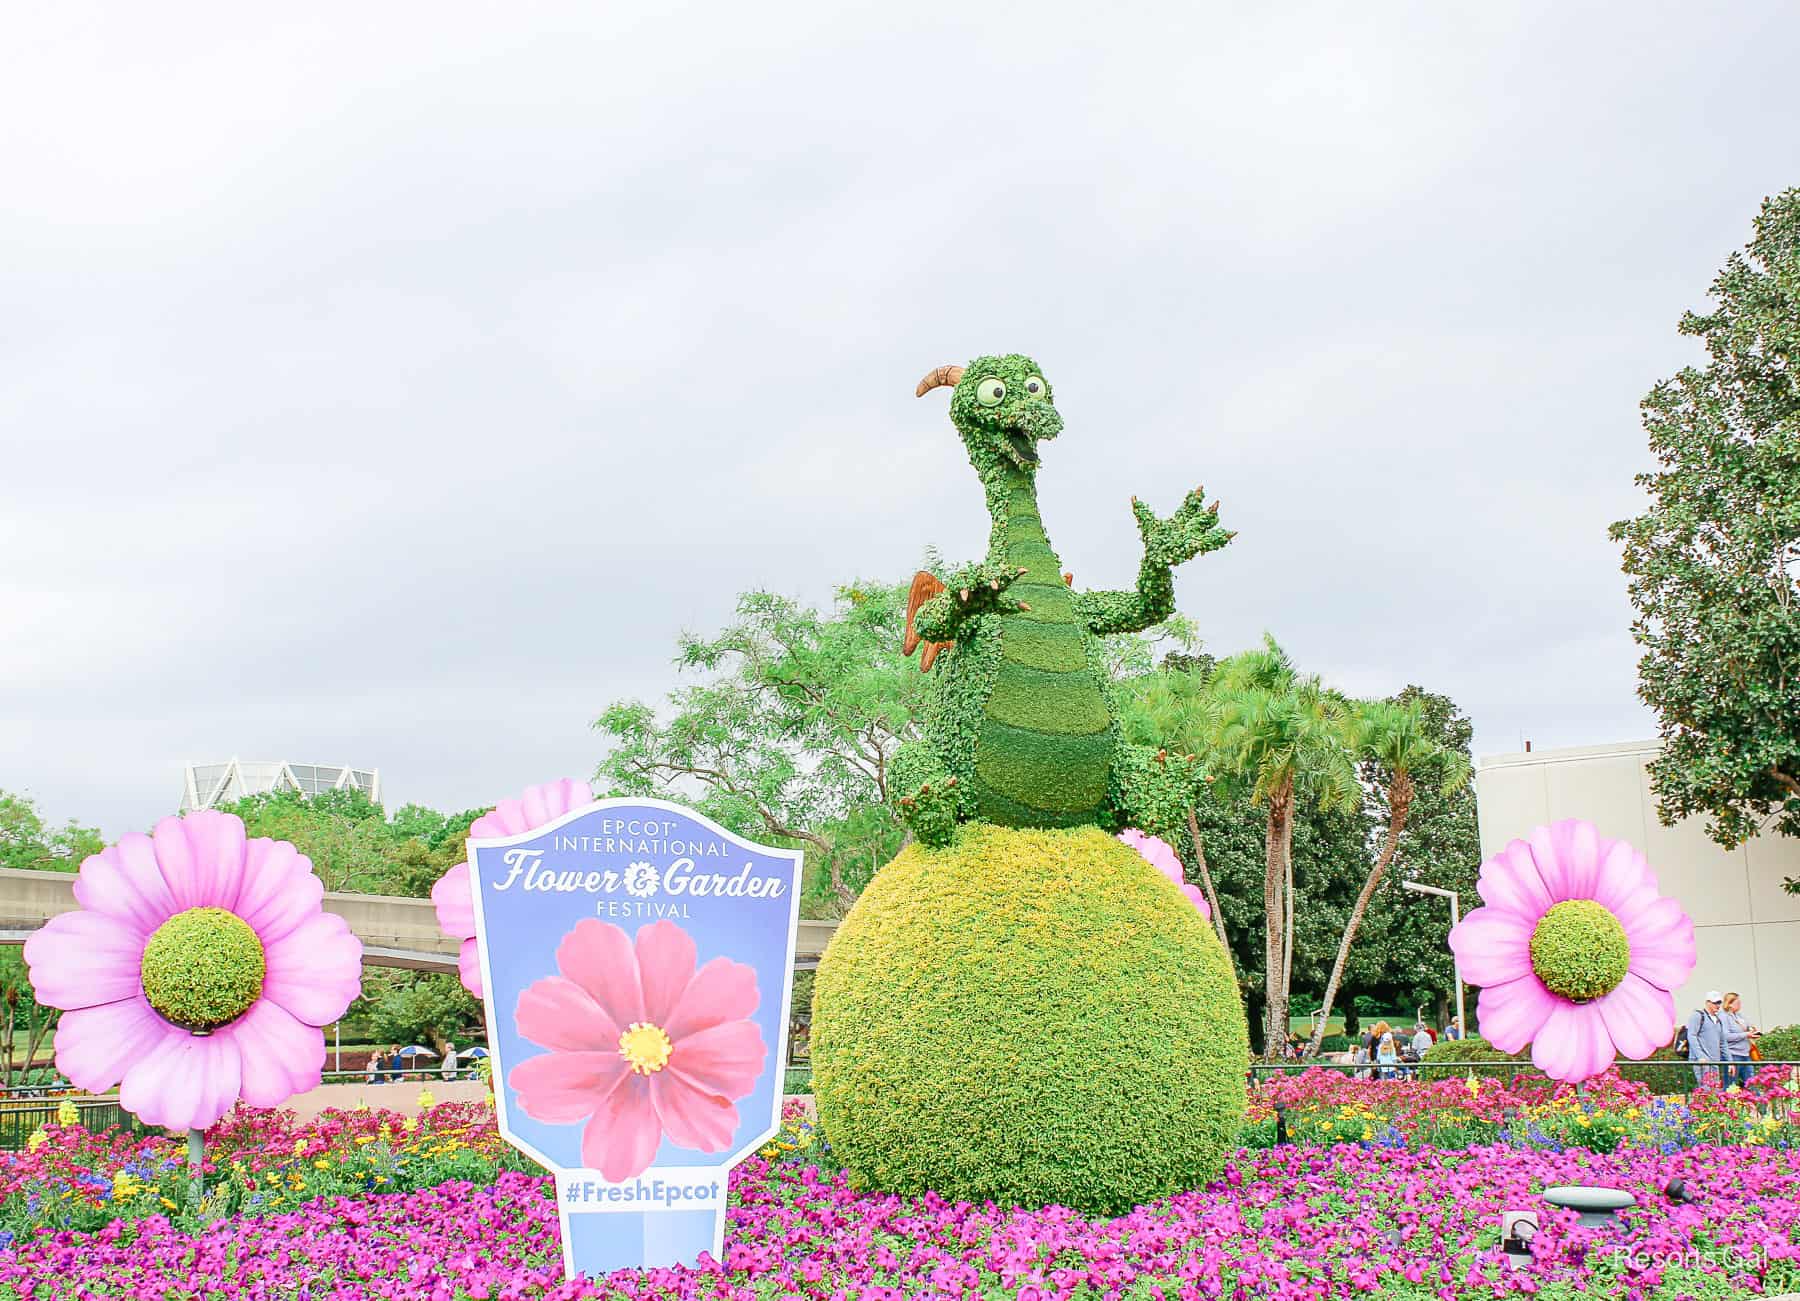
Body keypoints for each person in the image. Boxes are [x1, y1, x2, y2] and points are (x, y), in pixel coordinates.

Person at [1685, 992, 1727, 1089]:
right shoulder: (1697, 1015)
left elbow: (1723, 1043)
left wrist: (1730, 1062)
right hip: (1702, 1062)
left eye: (1719, 1003)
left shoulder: (1718, 1020)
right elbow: (1691, 1035)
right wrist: (1700, 1056)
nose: (1718, 1005)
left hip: (1714, 1062)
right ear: (1708, 1002)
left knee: (1714, 1091)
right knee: (1706, 1090)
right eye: (1715, 1003)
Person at [1722, 993, 1758, 1088]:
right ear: (1729, 1004)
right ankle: (1727, 1102)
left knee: (1752, 1084)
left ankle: (1758, 1102)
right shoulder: (1724, 1017)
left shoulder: (1740, 1016)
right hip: (1733, 1055)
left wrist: (1752, 1031)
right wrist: (1746, 1034)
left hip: (1746, 1054)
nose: (1740, 1004)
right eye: (1737, 1002)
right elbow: (1726, 1036)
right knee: (1730, 1085)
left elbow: (1748, 1027)